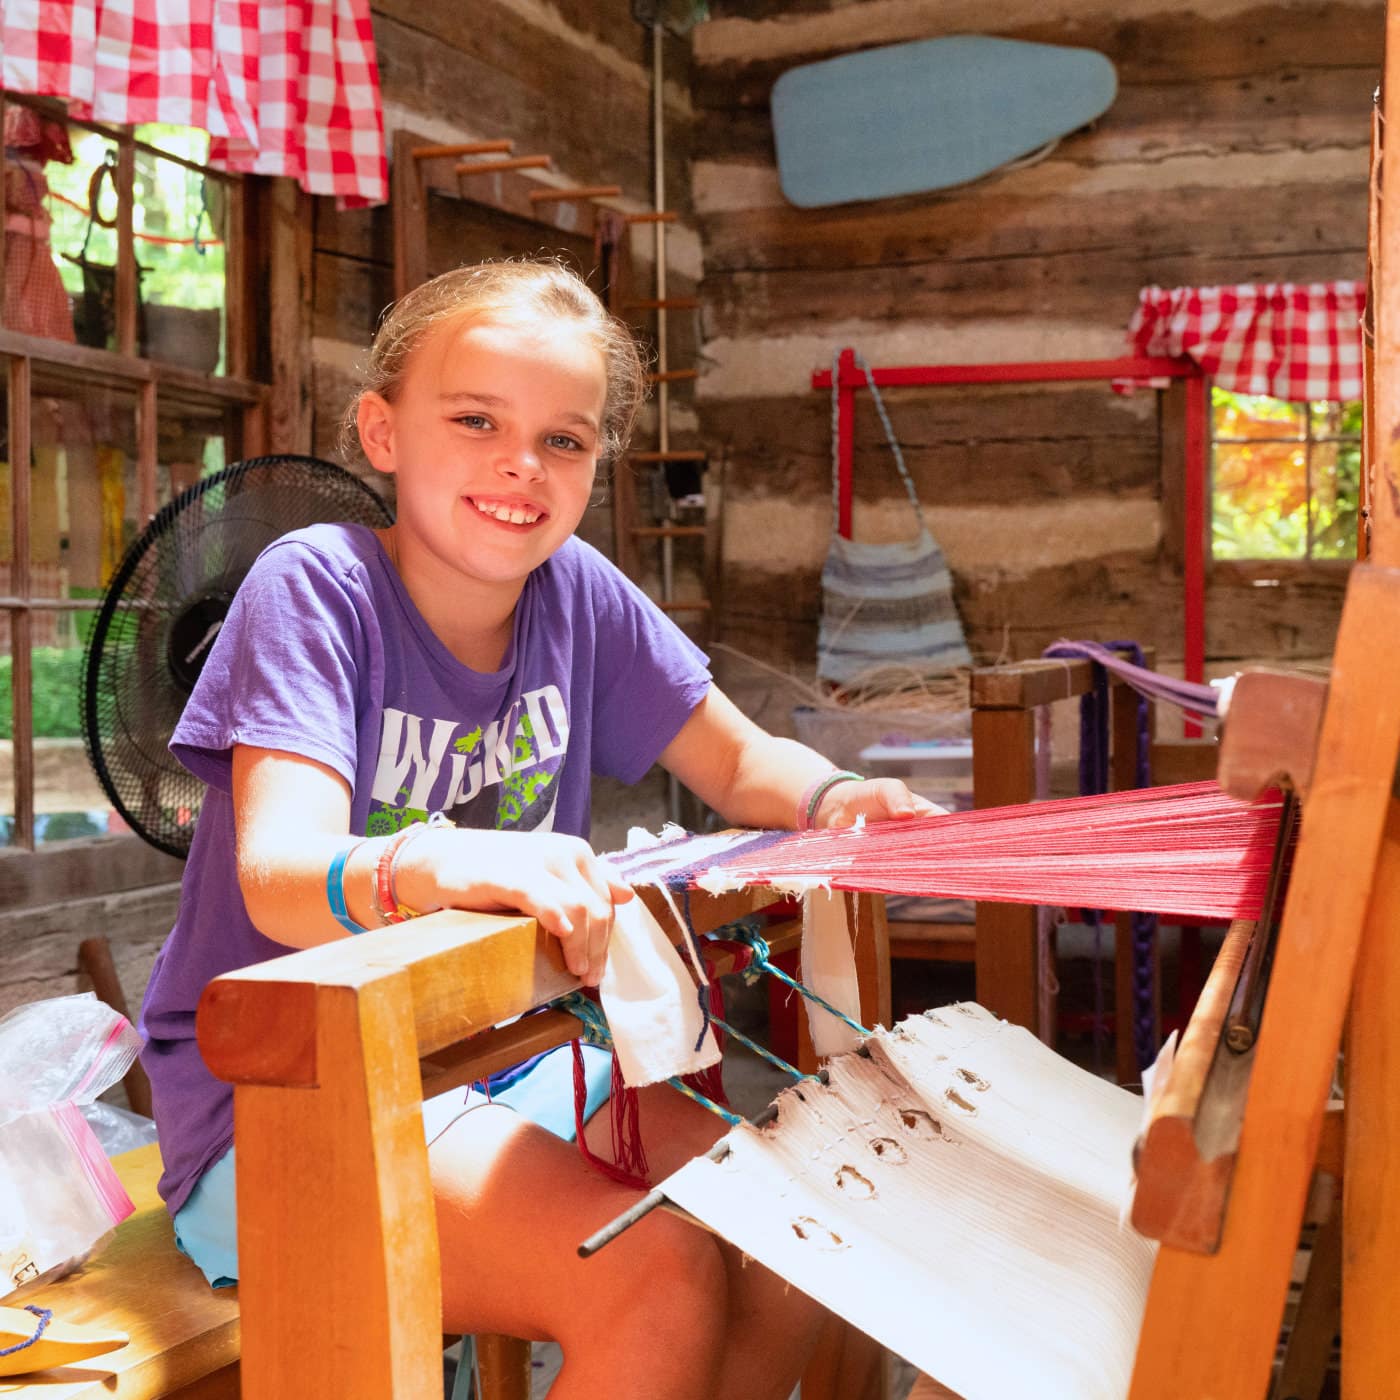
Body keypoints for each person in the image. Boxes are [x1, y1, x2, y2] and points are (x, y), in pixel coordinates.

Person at [139, 257, 941, 1400]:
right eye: (475, 420)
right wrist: (435, 857)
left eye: (564, 440)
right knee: (652, 1275)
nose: (522, 464)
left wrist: (830, 799)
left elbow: (738, 757)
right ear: (382, 430)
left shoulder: (581, 597)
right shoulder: (313, 589)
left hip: (514, 1059)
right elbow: (276, 877)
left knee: (792, 1232)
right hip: (285, 1105)